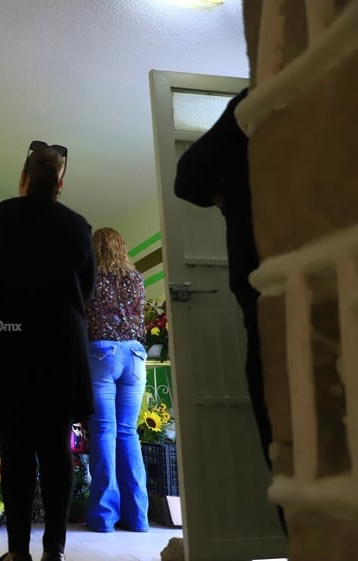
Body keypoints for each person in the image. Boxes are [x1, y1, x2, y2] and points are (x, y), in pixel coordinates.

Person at [0, 141, 95, 561]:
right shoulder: (78, 225)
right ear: (59, 183)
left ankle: (18, 553)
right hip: (61, 351)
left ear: (23, 178)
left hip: (8, 347)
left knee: (16, 452)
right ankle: (54, 551)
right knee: (57, 452)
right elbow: (87, 291)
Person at [174, 88, 285, 532]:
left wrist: (231, 196)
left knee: (291, 446)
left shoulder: (259, 100)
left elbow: (188, 178)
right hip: (133, 355)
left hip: (272, 293)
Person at [83, 227, 149, 533]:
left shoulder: (90, 276)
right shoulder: (136, 279)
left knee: (104, 433)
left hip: (102, 353)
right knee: (128, 433)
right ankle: (138, 518)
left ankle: (104, 518)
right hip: (135, 354)